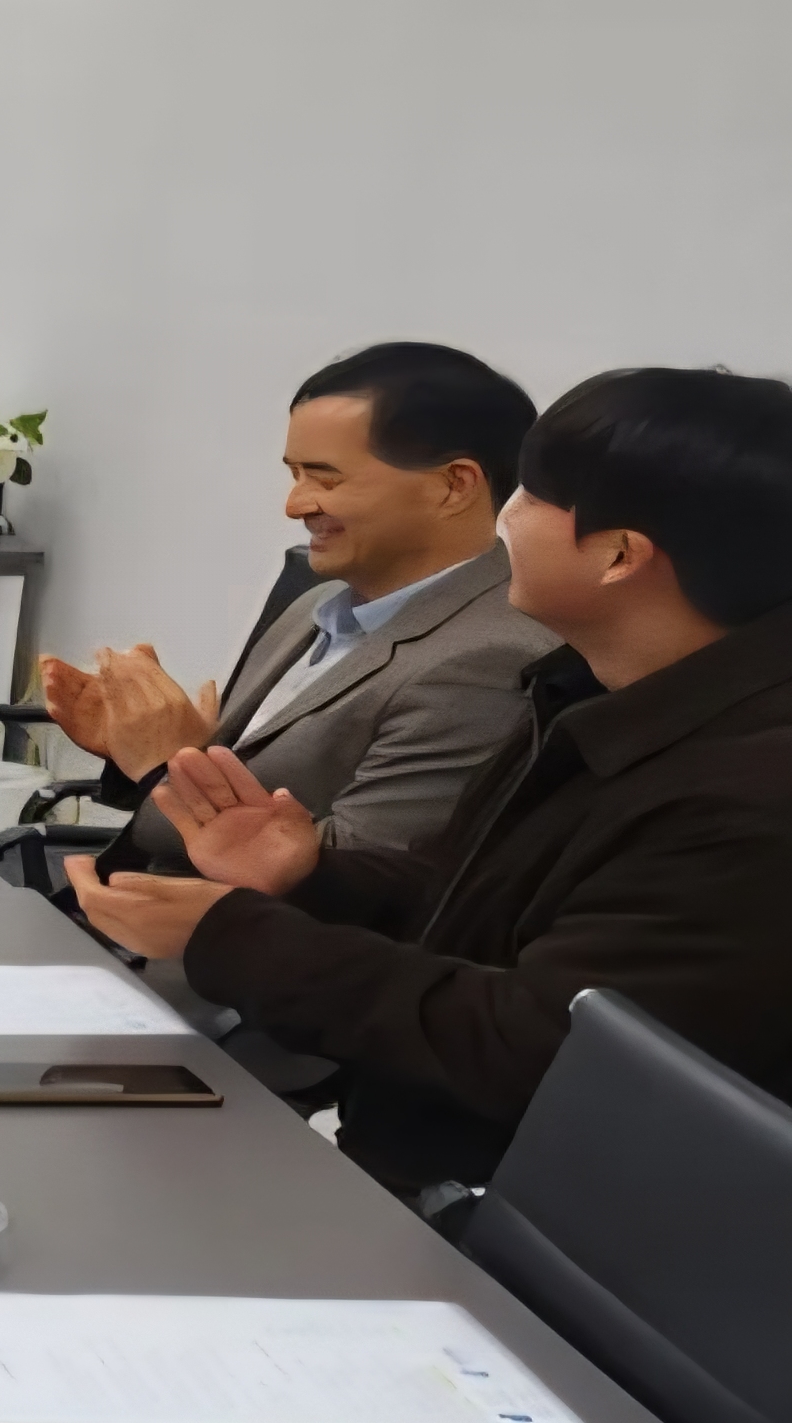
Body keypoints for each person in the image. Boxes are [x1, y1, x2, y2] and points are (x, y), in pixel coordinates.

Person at [67, 368, 792, 1196]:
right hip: (416, 1160)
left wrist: (231, 936)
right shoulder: (587, 691)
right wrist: (308, 874)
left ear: (620, 554)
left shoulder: (747, 795)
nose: (506, 519)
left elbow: (538, 1046)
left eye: (533, 497)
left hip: (523, 1224)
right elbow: (476, 904)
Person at [39, 343, 550, 866]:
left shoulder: (489, 660)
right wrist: (144, 745)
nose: (295, 505)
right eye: (295, 475)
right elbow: (259, 779)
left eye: (326, 478)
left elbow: (360, 870)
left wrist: (165, 763)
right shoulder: (313, 605)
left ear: (453, 486)